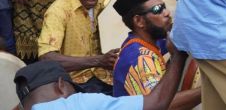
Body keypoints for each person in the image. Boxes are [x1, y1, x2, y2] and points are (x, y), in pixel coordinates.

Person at [13, 39, 188, 110]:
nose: (76, 94)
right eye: (74, 89)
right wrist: (178, 55)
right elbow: (156, 103)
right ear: (60, 86)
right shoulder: (77, 104)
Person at [112, 0, 201, 109]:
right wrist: (207, 90)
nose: (166, 13)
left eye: (164, 7)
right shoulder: (139, 59)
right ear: (139, 21)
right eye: (157, 10)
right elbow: (164, 105)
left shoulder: (148, 40)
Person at [37, 0, 116, 94]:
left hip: (109, 77)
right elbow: (47, 58)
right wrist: (98, 61)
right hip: (75, 82)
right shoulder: (59, 10)